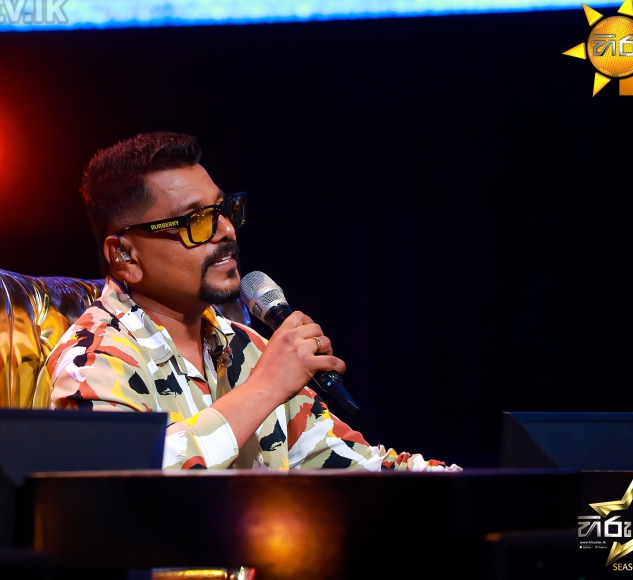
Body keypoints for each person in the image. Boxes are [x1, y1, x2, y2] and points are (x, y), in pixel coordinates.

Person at [44, 132, 459, 472]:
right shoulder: (94, 360)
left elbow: (345, 463)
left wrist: (463, 488)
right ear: (126, 256)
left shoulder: (249, 348)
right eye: (196, 220)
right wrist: (265, 387)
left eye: (223, 210)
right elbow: (121, 482)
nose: (226, 230)